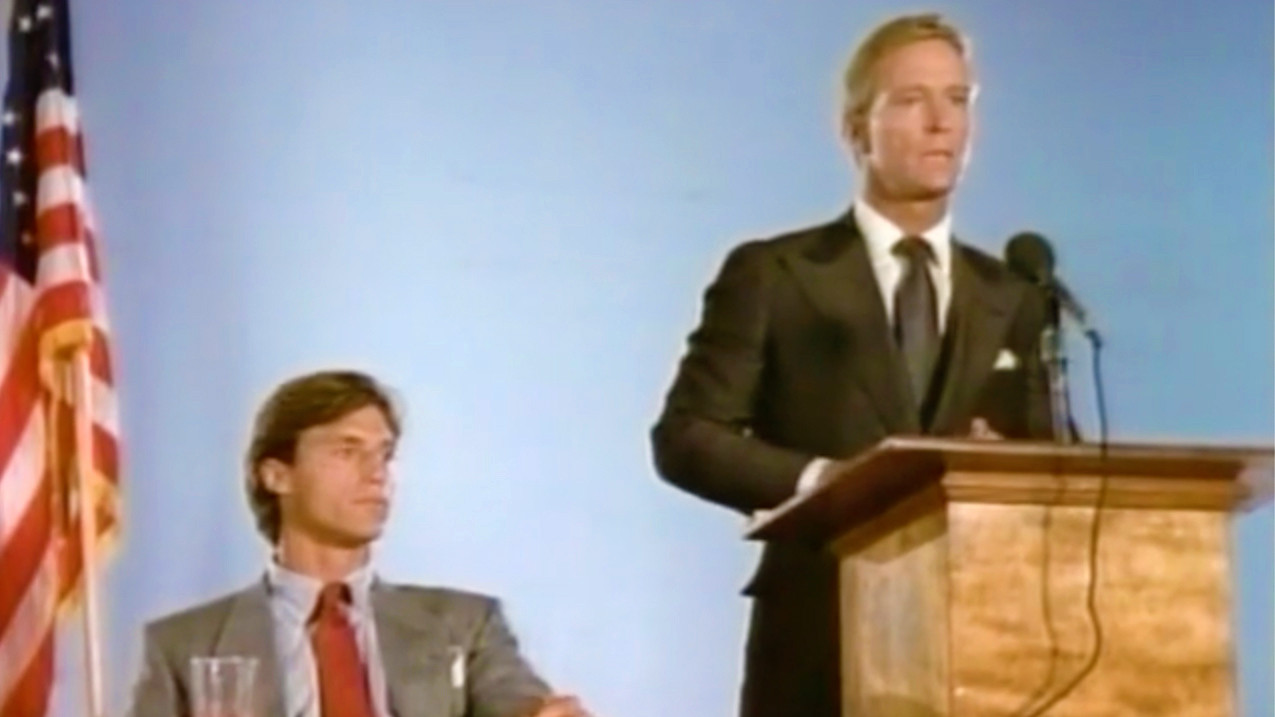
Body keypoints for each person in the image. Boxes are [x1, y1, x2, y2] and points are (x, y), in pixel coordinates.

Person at [650, 12, 1055, 717]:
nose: (941, 123)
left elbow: (1051, 455)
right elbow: (688, 436)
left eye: (957, 100)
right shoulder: (776, 273)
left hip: (983, 635)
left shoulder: (1013, 292)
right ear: (855, 129)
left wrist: (1011, 464)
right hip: (819, 631)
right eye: (912, 99)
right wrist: (823, 484)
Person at [127, 370, 591, 717]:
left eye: (384, 455)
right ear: (277, 475)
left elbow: (520, 705)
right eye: (347, 451)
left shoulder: (466, 628)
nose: (376, 473)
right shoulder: (183, 646)